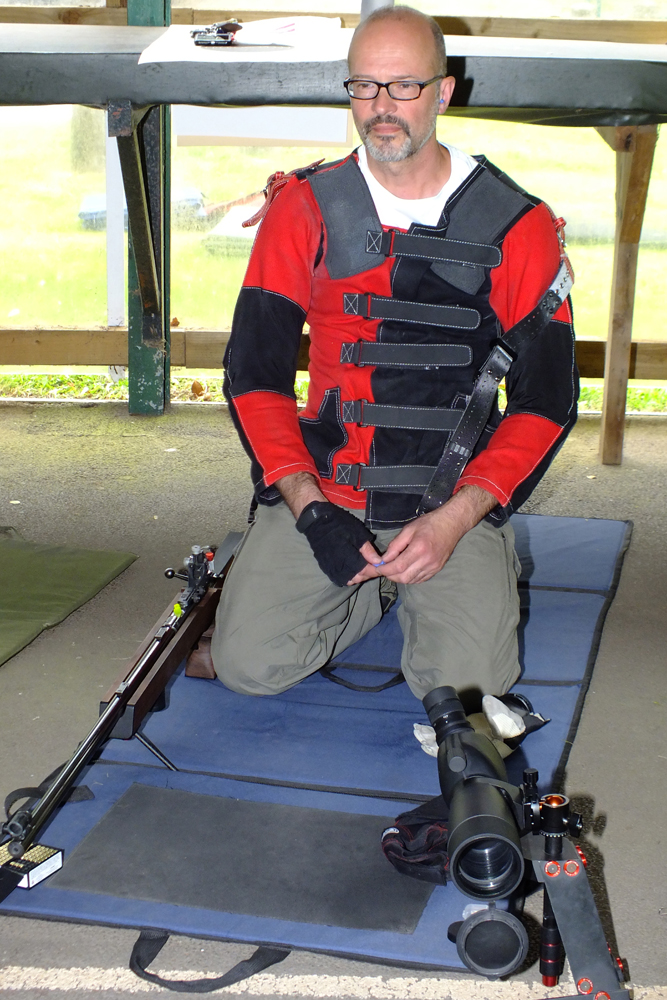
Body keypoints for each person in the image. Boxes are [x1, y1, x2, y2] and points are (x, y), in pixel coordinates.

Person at [210, 5, 578, 713]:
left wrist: (454, 521)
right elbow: (253, 375)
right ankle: (374, 594)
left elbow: (544, 402)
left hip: (450, 495)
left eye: (403, 87)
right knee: (248, 666)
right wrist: (308, 507)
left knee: (465, 696)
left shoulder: (520, 224)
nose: (381, 109)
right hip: (328, 483)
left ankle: (411, 580)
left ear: (442, 92)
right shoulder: (302, 207)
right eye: (363, 87)